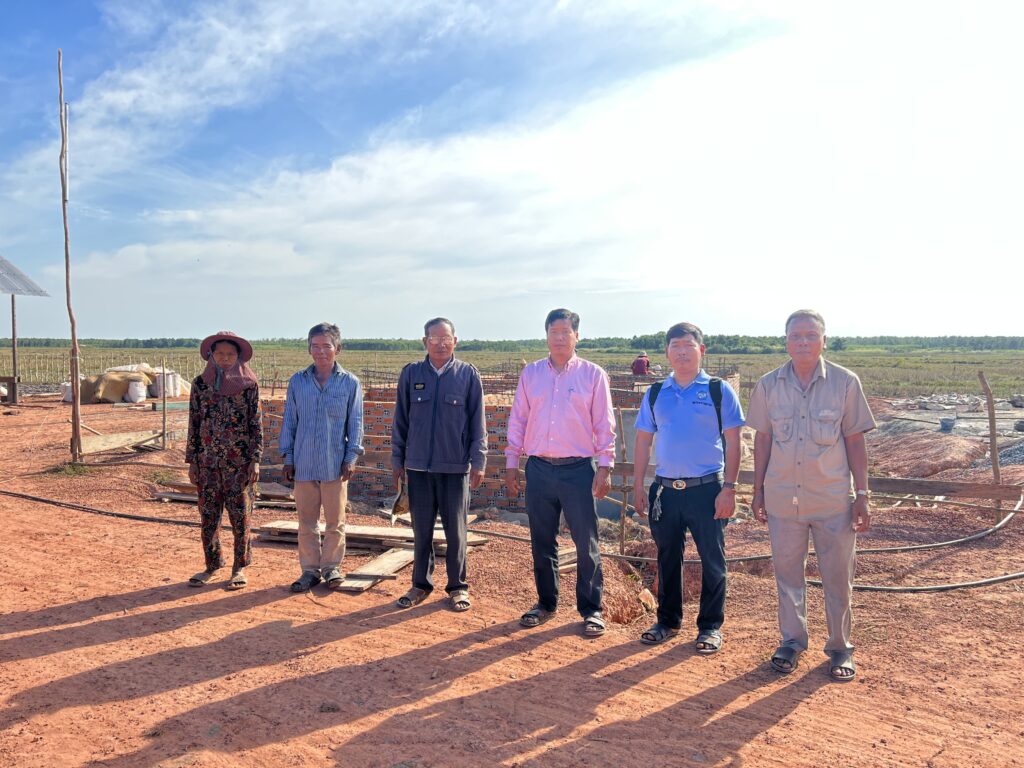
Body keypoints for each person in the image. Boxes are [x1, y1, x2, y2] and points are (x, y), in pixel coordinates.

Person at [746, 309, 876, 681]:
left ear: (824, 340)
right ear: (786, 341)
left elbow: (855, 440)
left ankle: (840, 647)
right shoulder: (768, 385)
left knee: (837, 578)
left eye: (810, 335)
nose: (803, 342)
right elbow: (763, 440)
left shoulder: (845, 383)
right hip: (783, 500)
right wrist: (758, 491)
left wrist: (862, 494)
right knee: (788, 576)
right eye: (795, 336)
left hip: (832, 501)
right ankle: (791, 642)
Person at [504, 308, 616, 638]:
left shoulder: (592, 375)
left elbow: (604, 424)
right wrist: (512, 462)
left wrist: (605, 466)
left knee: (586, 541)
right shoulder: (531, 374)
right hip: (539, 468)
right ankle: (545, 603)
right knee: (542, 539)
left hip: (578, 470)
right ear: (546, 336)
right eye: (554, 332)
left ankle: (592, 609)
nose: (559, 338)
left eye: (566, 332)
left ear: (577, 336)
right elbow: (518, 419)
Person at [632, 323, 743, 653]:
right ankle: (667, 622)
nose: (682, 351)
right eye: (675, 346)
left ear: (701, 350)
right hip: (665, 491)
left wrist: (729, 489)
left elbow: (734, 442)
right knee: (667, 557)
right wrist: (638, 485)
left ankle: (710, 627)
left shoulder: (718, 391)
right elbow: (643, 442)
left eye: (688, 345)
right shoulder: (656, 393)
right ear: (667, 352)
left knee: (712, 559)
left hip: (707, 490)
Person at [391, 317, 486, 611]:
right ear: (425, 342)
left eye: (446, 339)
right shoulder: (411, 374)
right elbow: (400, 421)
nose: (441, 344)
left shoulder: (468, 375)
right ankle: (420, 584)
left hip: (454, 469)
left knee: (456, 533)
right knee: (422, 531)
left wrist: (479, 460)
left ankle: (457, 587)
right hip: (418, 468)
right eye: (434, 338)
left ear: (455, 341)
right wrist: (397, 460)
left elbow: (478, 423)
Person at [280, 322, 364, 592]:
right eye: (315, 346)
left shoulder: (349, 383)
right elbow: (289, 421)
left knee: (335, 522)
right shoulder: (298, 381)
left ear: (338, 348)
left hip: (335, 463)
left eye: (326, 346)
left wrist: (351, 457)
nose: (320, 352)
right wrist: (288, 457)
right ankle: (309, 571)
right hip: (303, 462)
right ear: (309, 349)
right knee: (306, 523)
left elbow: (356, 423)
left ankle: (331, 568)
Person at [185, 331, 263, 590]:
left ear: (238, 356)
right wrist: (192, 461)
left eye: (230, 354)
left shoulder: (249, 385)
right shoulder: (200, 384)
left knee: (241, 517)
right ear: (211, 355)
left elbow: (256, 424)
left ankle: (239, 567)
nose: (225, 358)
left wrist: (255, 459)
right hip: (207, 463)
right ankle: (212, 564)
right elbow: (194, 422)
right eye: (220, 354)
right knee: (208, 517)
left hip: (239, 464)